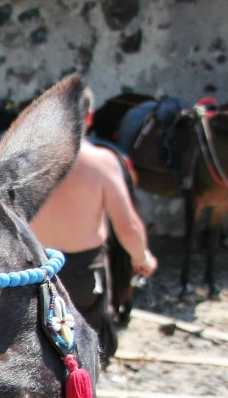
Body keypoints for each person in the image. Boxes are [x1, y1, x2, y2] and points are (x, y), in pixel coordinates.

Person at [30, 89, 157, 362]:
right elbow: (128, 227)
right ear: (89, 117)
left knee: (37, 348)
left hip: (33, 268)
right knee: (88, 350)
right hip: (82, 272)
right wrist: (141, 258)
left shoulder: (25, 160)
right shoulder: (100, 162)